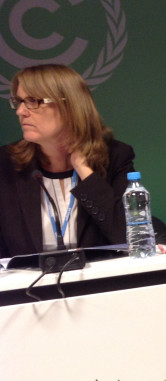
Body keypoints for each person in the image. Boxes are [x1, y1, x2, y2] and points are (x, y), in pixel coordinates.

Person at [0, 64, 136, 258]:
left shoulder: (115, 157)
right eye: (19, 101)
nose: (20, 111)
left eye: (32, 101)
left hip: (98, 284)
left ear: (69, 106)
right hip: (27, 286)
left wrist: (84, 169)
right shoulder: (5, 164)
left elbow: (128, 237)